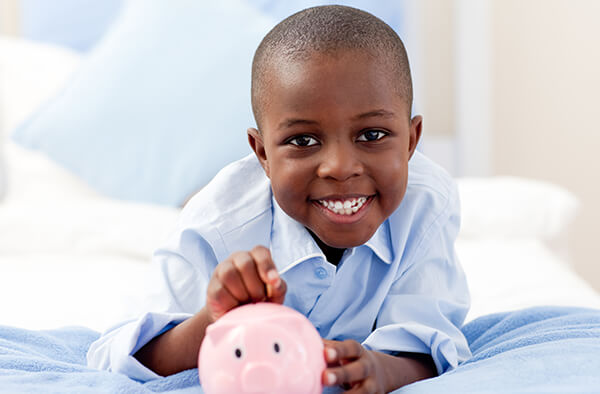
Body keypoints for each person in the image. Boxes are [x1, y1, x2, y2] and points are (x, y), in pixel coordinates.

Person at [87, 5, 471, 392]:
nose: (339, 167)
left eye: (371, 135)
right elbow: (115, 355)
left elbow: (430, 342)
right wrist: (212, 323)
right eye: (303, 141)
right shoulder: (218, 224)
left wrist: (384, 370)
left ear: (411, 141)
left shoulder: (426, 204)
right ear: (263, 154)